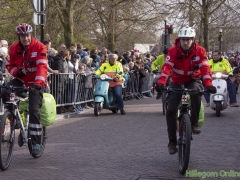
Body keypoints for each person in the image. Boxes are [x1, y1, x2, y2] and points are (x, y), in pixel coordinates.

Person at [156, 26, 216, 155]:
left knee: (196, 94)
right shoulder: (173, 51)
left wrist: (208, 84)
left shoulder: (200, 51)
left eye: (188, 40)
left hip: (193, 79)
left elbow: (205, 69)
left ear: (193, 40)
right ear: (179, 40)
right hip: (177, 81)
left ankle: (194, 123)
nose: (185, 42)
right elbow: (166, 67)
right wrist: (161, 82)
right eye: (183, 39)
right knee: (171, 110)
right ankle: (172, 142)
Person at [1, 23, 48, 156]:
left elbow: (42, 67)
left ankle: (36, 142)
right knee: (5, 91)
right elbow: (9, 64)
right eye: (22, 36)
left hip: (36, 82)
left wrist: (38, 83)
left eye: (27, 35)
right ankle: (12, 117)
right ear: (19, 36)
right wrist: (17, 72)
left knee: (34, 110)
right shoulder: (14, 47)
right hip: (21, 80)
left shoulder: (39, 47)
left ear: (31, 35)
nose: (25, 38)